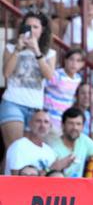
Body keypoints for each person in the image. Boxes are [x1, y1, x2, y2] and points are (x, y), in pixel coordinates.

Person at [2, 12, 56, 149]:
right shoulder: (10, 47)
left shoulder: (49, 53)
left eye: (35, 27)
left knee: (27, 154)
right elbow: (6, 73)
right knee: (14, 150)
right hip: (13, 102)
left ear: (42, 30)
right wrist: (18, 49)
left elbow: (49, 76)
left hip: (35, 107)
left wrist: (37, 51)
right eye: (28, 26)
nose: (31, 30)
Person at [49, 107, 93, 178]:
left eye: (78, 124)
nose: (75, 127)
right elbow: (47, 172)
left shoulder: (83, 140)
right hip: (60, 187)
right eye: (71, 123)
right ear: (63, 125)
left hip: (79, 187)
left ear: (82, 127)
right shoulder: (54, 147)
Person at [4, 109, 73, 176]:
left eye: (46, 122)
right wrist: (53, 168)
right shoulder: (19, 146)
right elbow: (16, 181)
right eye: (38, 121)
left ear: (50, 126)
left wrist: (62, 166)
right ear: (30, 124)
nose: (42, 125)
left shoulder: (50, 151)